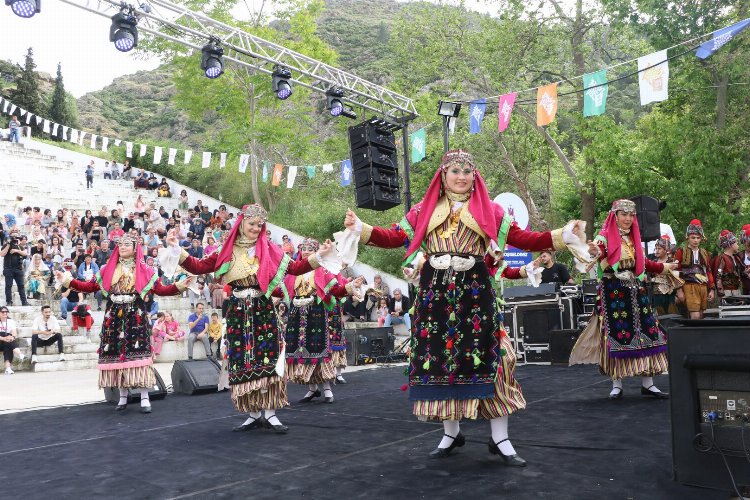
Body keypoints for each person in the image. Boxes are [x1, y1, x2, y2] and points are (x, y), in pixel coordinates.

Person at [342, 149, 581, 464]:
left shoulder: (491, 211)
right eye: (455, 171)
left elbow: (525, 239)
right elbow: (394, 236)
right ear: (443, 175)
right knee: (440, 360)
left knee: (497, 357)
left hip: (475, 294)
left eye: (467, 171)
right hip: (435, 295)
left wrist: (563, 235)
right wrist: (362, 227)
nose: (461, 176)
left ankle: (501, 439)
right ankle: (451, 433)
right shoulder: (422, 211)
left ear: (474, 176)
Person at [161, 203, 337, 433]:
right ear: (242, 223)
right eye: (251, 223)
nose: (255, 228)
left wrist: (319, 256)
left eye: (259, 225)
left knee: (268, 357)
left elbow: (295, 268)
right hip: (236, 310)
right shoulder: (227, 249)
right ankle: (253, 414)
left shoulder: (270, 249)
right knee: (243, 358)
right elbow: (198, 265)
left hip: (262, 307)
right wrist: (177, 249)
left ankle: (271, 414)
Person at [55, 235, 190, 413]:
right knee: (118, 355)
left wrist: (179, 286)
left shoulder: (146, 270)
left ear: (136, 248)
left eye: (128, 244)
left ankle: (144, 397)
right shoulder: (106, 270)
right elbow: (88, 287)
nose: (123, 246)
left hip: (136, 315)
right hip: (114, 317)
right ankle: (123, 397)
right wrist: (67, 280)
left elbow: (161, 290)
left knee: (139, 356)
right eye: (120, 243)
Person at [572, 199, 677, 401]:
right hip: (613, 291)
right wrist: (594, 250)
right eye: (624, 215)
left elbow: (643, 263)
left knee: (648, 331)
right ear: (615, 215)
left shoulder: (633, 238)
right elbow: (600, 251)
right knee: (617, 335)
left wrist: (665, 268)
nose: (628, 219)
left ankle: (648, 383)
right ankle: (616, 384)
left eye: (631, 215)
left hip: (635, 291)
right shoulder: (604, 237)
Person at [284, 237, 362, 403]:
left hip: (316, 314)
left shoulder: (324, 270)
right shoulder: (293, 273)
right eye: (303, 249)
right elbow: (280, 290)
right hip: (297, 314)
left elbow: (335, 290)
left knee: (319, 350)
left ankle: (327, 389)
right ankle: (312, 389)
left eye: (309, 249)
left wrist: (350, 287)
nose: (305, 252)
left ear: (316, 252)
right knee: (300, 352)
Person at [674, 219, 714, 320]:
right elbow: (675, 272)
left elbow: (708, 271)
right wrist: (679, 291)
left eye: (698, 238)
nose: (696, 240)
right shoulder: (680, 252)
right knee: (695, 316)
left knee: (700, 316)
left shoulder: (705, 253)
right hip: (689, 286)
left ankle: (699, 336)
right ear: (688, 238)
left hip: (703, 287)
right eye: (693, 238)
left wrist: (712, 289)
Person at [650, 235, 682, 315]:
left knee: (671, 316)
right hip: (656, 295)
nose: (657, 251)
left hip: (670, 295)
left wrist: (678, 294)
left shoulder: (672, 262)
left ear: (665, 249)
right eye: (656, 248)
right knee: (659, 318)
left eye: (659, 248)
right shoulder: (653, 263)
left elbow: (676, 279)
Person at [2, 228, 30, 306]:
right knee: (8, 286)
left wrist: (16, 250)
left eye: (16, 233)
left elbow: (25, 254)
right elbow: (2, 254)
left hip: (18, 269)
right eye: (13, 233)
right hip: (8, 268)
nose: (14, 234)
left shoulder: (19, 246)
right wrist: (8, 244)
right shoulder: (6, 245)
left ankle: (24, 302)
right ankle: (9, 302)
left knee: (21, 286)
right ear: (10, 234)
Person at [713, 230, 742, 300]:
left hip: (736, 291)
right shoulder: (722, 258)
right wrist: (722, 294)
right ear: (730, 244)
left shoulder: (736, 257)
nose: (738, 244)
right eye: (736, 243)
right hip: (726, 292)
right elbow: (718, 277)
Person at [0, 306, 25, 374]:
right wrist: (4, 338)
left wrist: (12, 337)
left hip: (7, 341)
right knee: (7, 340)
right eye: (3, 312)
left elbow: (14, 332)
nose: (5, 313)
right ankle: (19, 354)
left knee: (8, 344)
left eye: (6, 312)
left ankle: (8, 368)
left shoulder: (10, 321)